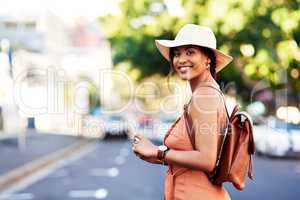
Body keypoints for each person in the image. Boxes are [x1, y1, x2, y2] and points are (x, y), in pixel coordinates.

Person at [132, 24, 233, 200]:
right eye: (177, 53)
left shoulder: (205, 96)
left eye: (190, 52)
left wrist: (157, 151)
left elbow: (207, 160)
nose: (181, 59)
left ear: (208, 58)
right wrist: (157, 157)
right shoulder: (204, 93)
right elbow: (193, 158)